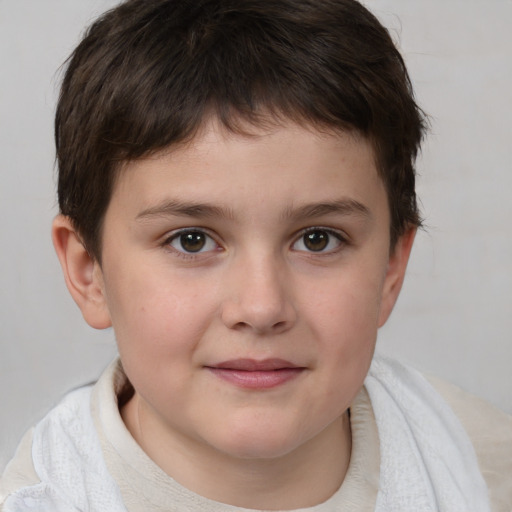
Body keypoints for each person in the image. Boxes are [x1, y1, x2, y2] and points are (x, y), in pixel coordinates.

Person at [1, 0, 511, 510]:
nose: (262, 307)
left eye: (318, 239)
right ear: (89, 272)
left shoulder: (482, 468)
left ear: (390, 271)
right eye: (192, 240)